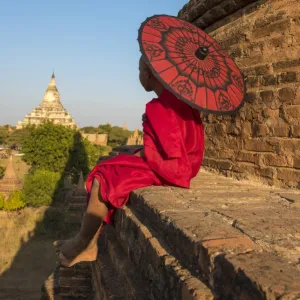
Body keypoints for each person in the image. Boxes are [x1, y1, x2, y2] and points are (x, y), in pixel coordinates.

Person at [53, 56, 205, 267]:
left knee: (103, 176)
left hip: (171, 169)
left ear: (149, 73)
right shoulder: (181, 101)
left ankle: (83, 243)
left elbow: (170, 151)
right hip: (187, 165)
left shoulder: (160, 106)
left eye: (139, 70)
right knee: (115, 163)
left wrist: (139, 154)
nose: (139, 75)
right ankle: (86, 240)